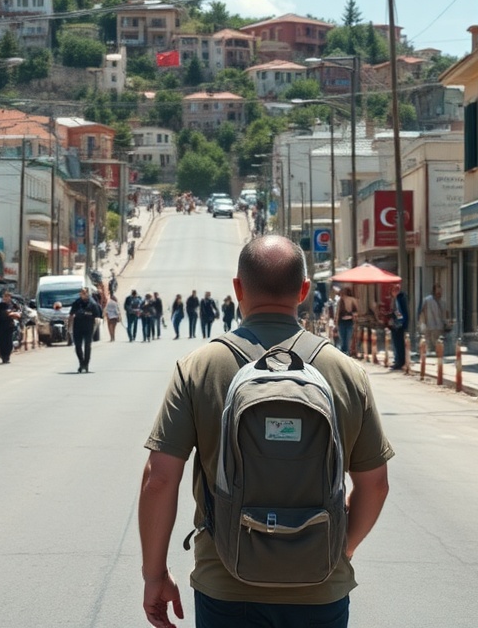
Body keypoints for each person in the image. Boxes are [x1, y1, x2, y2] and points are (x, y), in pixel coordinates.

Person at [138, 235, 393, 628]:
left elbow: (159, 479)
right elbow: (375, 484)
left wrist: (154, 575)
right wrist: (340, 549)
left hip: (226, 584)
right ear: (304, 291)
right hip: (320, 587)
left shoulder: (199, 367)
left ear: (238, 288)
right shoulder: (346, 372)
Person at [67, 286, 102, 373]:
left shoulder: (93, 304)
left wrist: (95, 327)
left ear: (87, 293)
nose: (82, 294)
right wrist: (69, 327)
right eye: (81, 293)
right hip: (77, 327)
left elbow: (97, 317)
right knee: (78, 346)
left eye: (84, 293)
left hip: (88, 327)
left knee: (87, 346)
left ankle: (86, 364)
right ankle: (81, 362)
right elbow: (71, 315)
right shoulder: (77, 302)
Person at [421, 284, 449, 356]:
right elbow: (423, 312)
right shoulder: (427, 300)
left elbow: (445, 314)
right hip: (430, 326)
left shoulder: (442, 302)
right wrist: (424, 323)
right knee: (429, 347)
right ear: (434, 291)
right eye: (438, 292)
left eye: (440, 292)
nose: (439, 294)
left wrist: (446, 323)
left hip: (439, 327)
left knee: (438, 346)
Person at [0, 290, 20, 364]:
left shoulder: (12, 305)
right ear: (3, 297)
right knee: (2, 342)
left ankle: (7, 356)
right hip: (0, 326)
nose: (7, 298)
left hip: (9, 326)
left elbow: (18, 313)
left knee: (9, 342)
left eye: (8, 296)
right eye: (5, 296)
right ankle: (3, 357)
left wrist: (14, 314)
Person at [389, 284, 409, 370]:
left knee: (399, 344)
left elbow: (399, 312)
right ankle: (398, 360)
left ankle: (400, 362)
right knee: (397, 344)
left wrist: (398, 323)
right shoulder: (398, 298)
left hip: (398, 325)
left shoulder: (399, 299)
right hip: (398, 324)